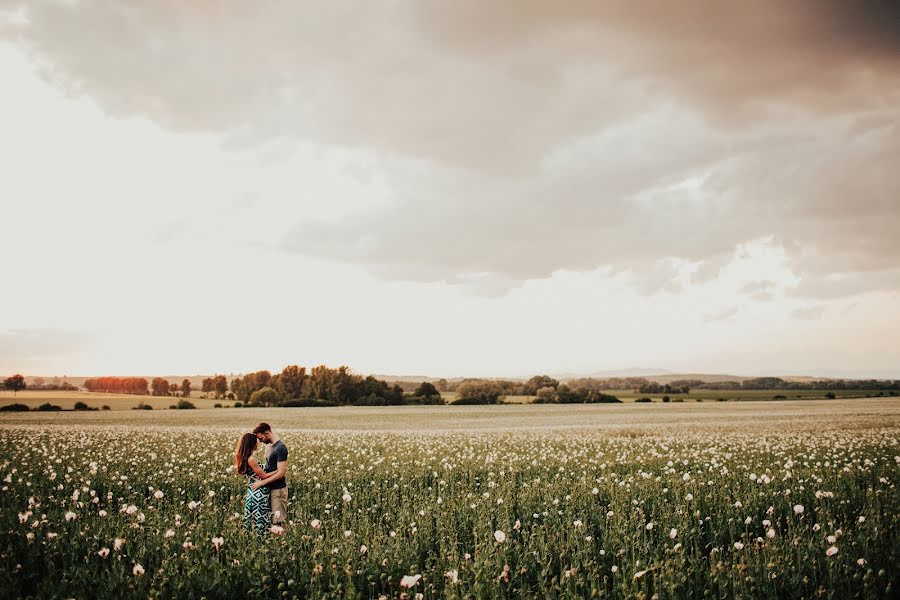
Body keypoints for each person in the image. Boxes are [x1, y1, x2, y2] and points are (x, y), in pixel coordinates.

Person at [233, 432, 274, 543]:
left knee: (253, 520)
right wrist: (279, 471)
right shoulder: (251, 459)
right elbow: (263, 476)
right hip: (259, 494)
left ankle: (251, 543)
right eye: (256, 442)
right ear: (251, 443)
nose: (258, 443)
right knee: (260, 521)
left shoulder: (245, 458)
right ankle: (260, 544)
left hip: (252, 492)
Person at [252, 422, 289, 525]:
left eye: (261, 438)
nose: (260, 441)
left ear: (267, 433)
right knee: (271, 522)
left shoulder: (280, 448)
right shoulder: (268, 447)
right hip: (269, 489)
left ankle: (281, 540)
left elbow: (281, 473)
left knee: (278, 522)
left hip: (278, 490)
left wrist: (262, 483)